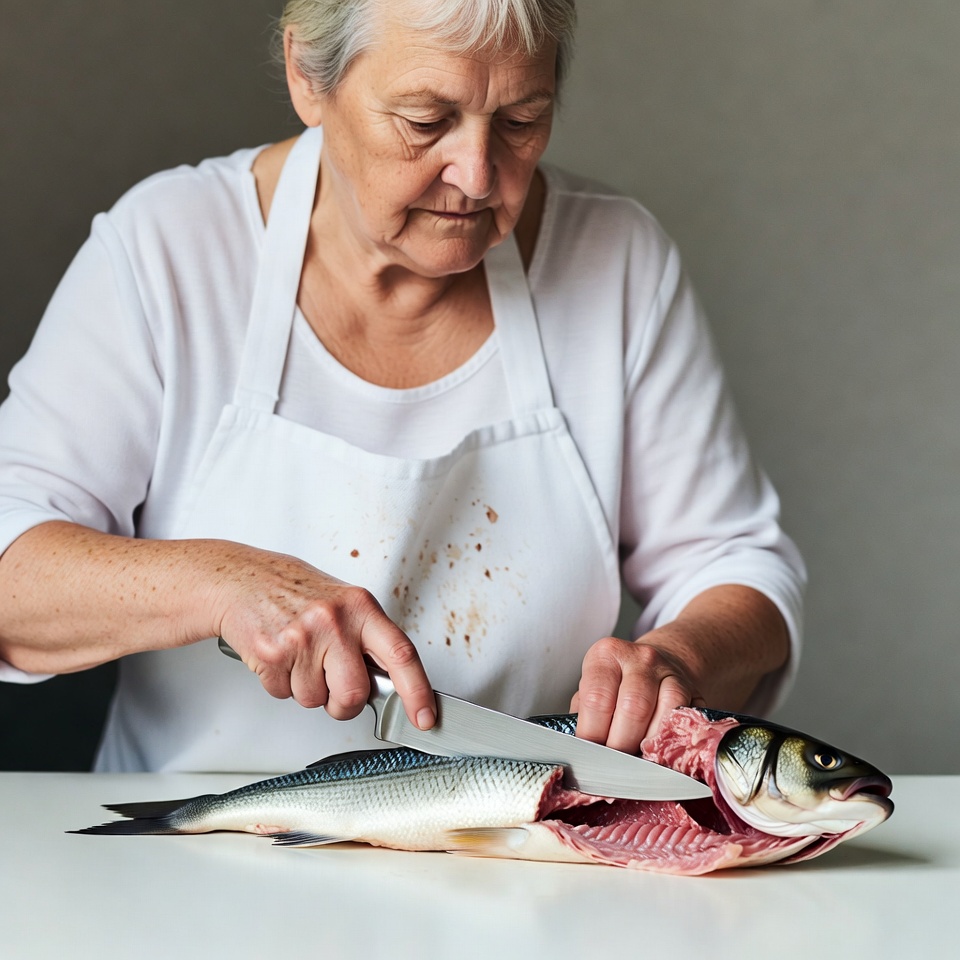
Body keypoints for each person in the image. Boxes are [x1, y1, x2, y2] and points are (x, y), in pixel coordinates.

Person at [0, 0, 804, 773]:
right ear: (307, 78)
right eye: (425, 121)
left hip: (516, 862)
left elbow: (736, 564)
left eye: (522, 120)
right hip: (186, 861)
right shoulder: (167, 250)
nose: (479, 173)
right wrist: (223, 583)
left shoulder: (618, 262)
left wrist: (680, 659)